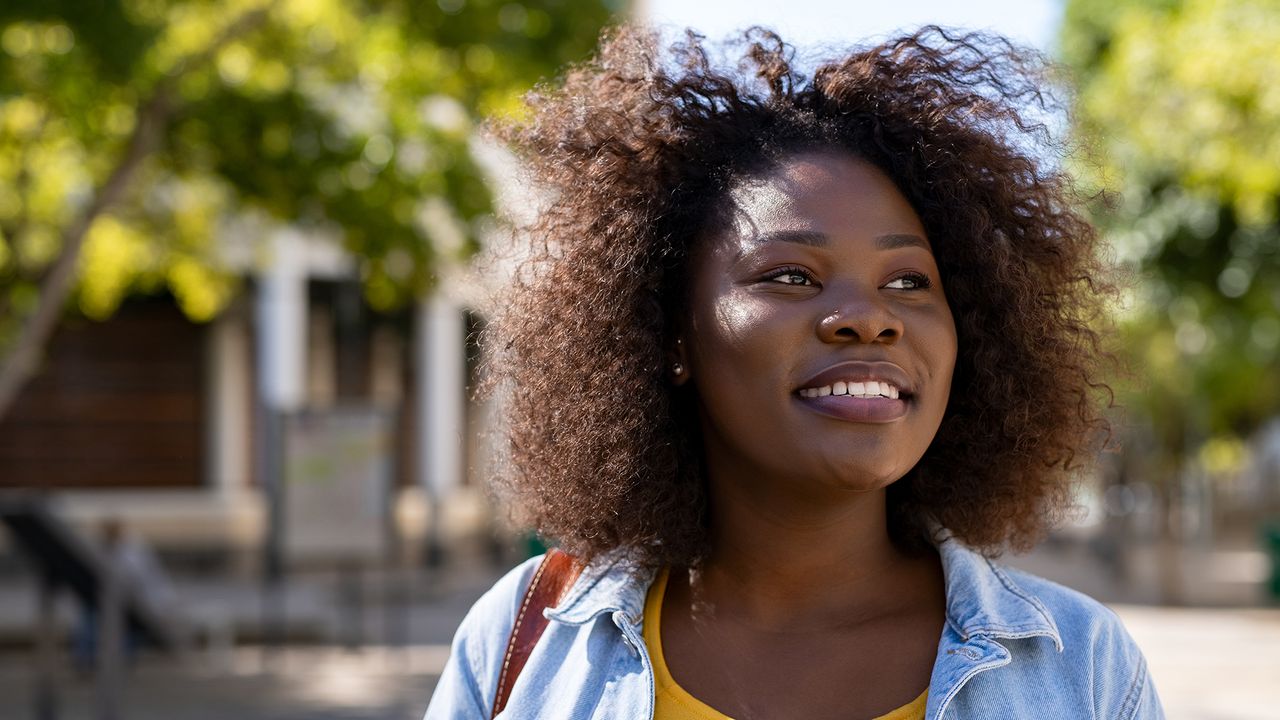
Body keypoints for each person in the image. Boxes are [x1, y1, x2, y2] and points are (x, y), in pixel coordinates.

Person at [426, 24, 1164, 720]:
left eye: (908, 281)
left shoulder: (1082, 669)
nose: (869, 317)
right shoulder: (525, 644)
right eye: (790, 275)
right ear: (672, 335)